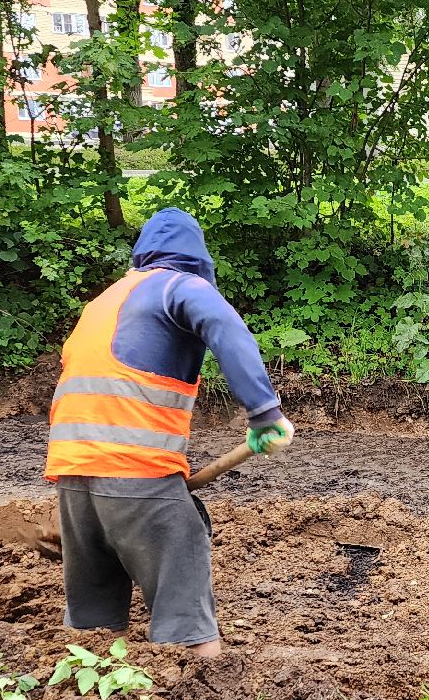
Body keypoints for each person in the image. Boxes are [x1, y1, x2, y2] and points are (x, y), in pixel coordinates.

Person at [43, 207, 292, 659]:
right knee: (185, 598)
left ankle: (88, 695)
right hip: (136, 473)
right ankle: (206, 689)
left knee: (92, 626)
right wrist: (264, 413)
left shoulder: (104, 300)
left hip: (72, 480)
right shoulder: (180, 286)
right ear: (197, 258)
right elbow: (227, 328)